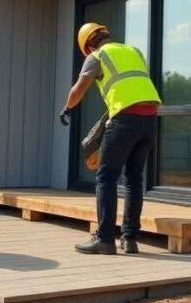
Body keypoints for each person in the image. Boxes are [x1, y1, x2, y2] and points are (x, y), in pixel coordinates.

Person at [59, 23, 161, 255]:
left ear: (87, 46)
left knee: (106, 177)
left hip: (125, 121)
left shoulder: (97, 56)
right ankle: (130, 239)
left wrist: (66, 108)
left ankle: (105, 239)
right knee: (134, 179)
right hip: (150, 120)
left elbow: (78, 90)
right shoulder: (134, 52)